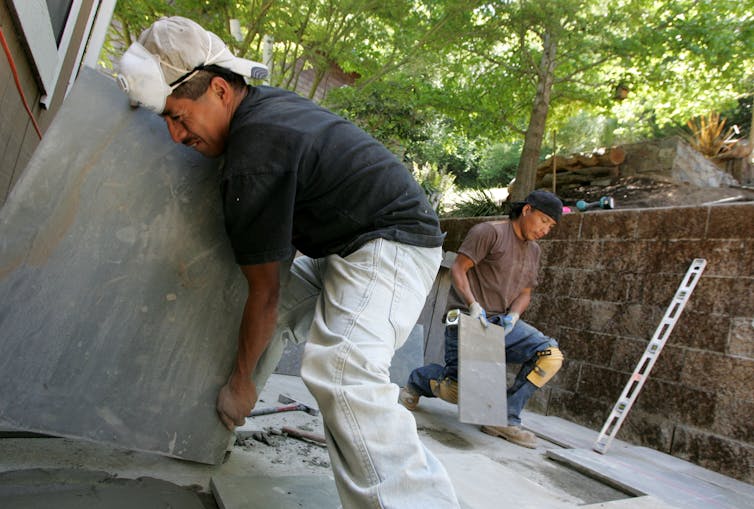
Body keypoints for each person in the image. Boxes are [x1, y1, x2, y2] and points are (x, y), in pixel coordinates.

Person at [117, 16, 459, 508]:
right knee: (241, 308)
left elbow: (267, 290)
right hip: (347, 244)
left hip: (390, 243)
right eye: (165, 121)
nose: (174, 135)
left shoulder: (254, 154)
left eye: (178, 116)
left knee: (342, 368)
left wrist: (239, 384)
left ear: (218, 89)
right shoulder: (261, 113)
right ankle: (210, 438)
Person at [399, 190, 564, 449]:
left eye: (551, 226)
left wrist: (514, 316)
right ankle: (418, 381)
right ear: (527, 210)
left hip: (501, 324)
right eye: (543, 220)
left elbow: (525, 293)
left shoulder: (534, 251)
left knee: (550, 355)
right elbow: (458, 268)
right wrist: (473, 305)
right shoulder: (489, 232)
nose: (546, 229)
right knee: (459, 391)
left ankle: (505, 419)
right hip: (468, 318)